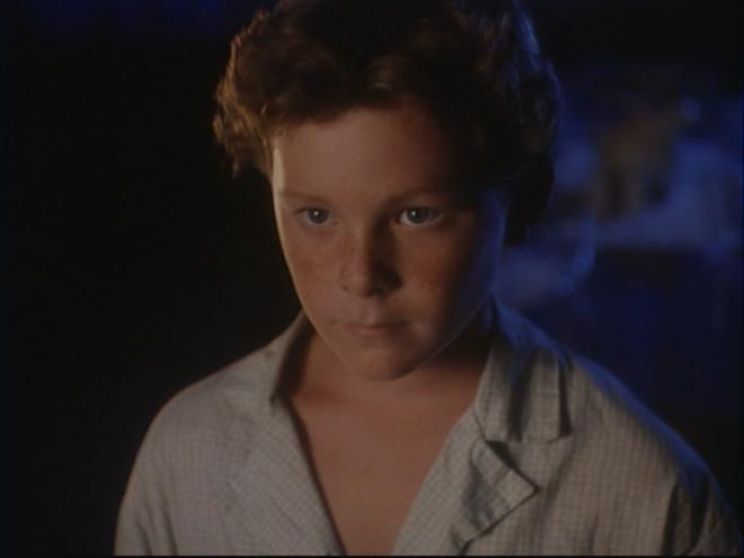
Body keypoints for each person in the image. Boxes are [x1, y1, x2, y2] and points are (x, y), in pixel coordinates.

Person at [114, 0, 742, 554]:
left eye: (417, 215)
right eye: (315, 216)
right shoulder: (189, 452)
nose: (361, 275)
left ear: (519, 200)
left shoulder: (643, 488)